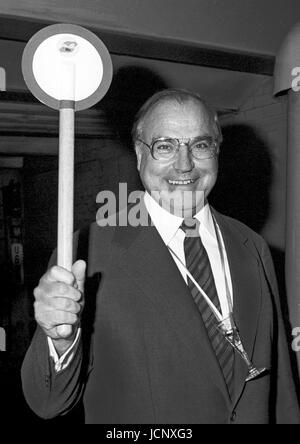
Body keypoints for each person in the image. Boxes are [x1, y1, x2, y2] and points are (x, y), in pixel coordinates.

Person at [22, 89, 300, 424]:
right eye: (165, 146)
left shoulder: (251, 245)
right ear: (140, 155)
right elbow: (49, 402)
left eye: (200, 145)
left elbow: (281, 388)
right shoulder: (88, 250)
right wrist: (60, 340)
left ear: (216, 151)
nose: (185, 165)